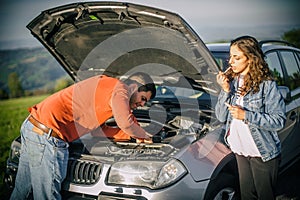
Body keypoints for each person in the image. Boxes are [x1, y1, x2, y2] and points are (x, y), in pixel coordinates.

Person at [10, 72, 156, 200]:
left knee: (23, 192)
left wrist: (131, 136)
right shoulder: (120, 89)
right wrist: (144, 135)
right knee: (47, 195)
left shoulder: (107, 86)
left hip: (33, 126)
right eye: (143, 98)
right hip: (48, 135)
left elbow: (98, 131)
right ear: (134, 86)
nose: (142, 104)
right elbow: (126, 122)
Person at [215, 36, 286, 200]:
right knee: (247, 196)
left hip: (262, 153)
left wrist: (246, 115)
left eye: (236, 57)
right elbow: (220, 116)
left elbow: (278, 121)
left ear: (251, 59)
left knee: (264, 196)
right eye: (230, 56)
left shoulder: (266, 85)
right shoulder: (232, 83)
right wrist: (225, 90)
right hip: (241, 151)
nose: (230, 62)